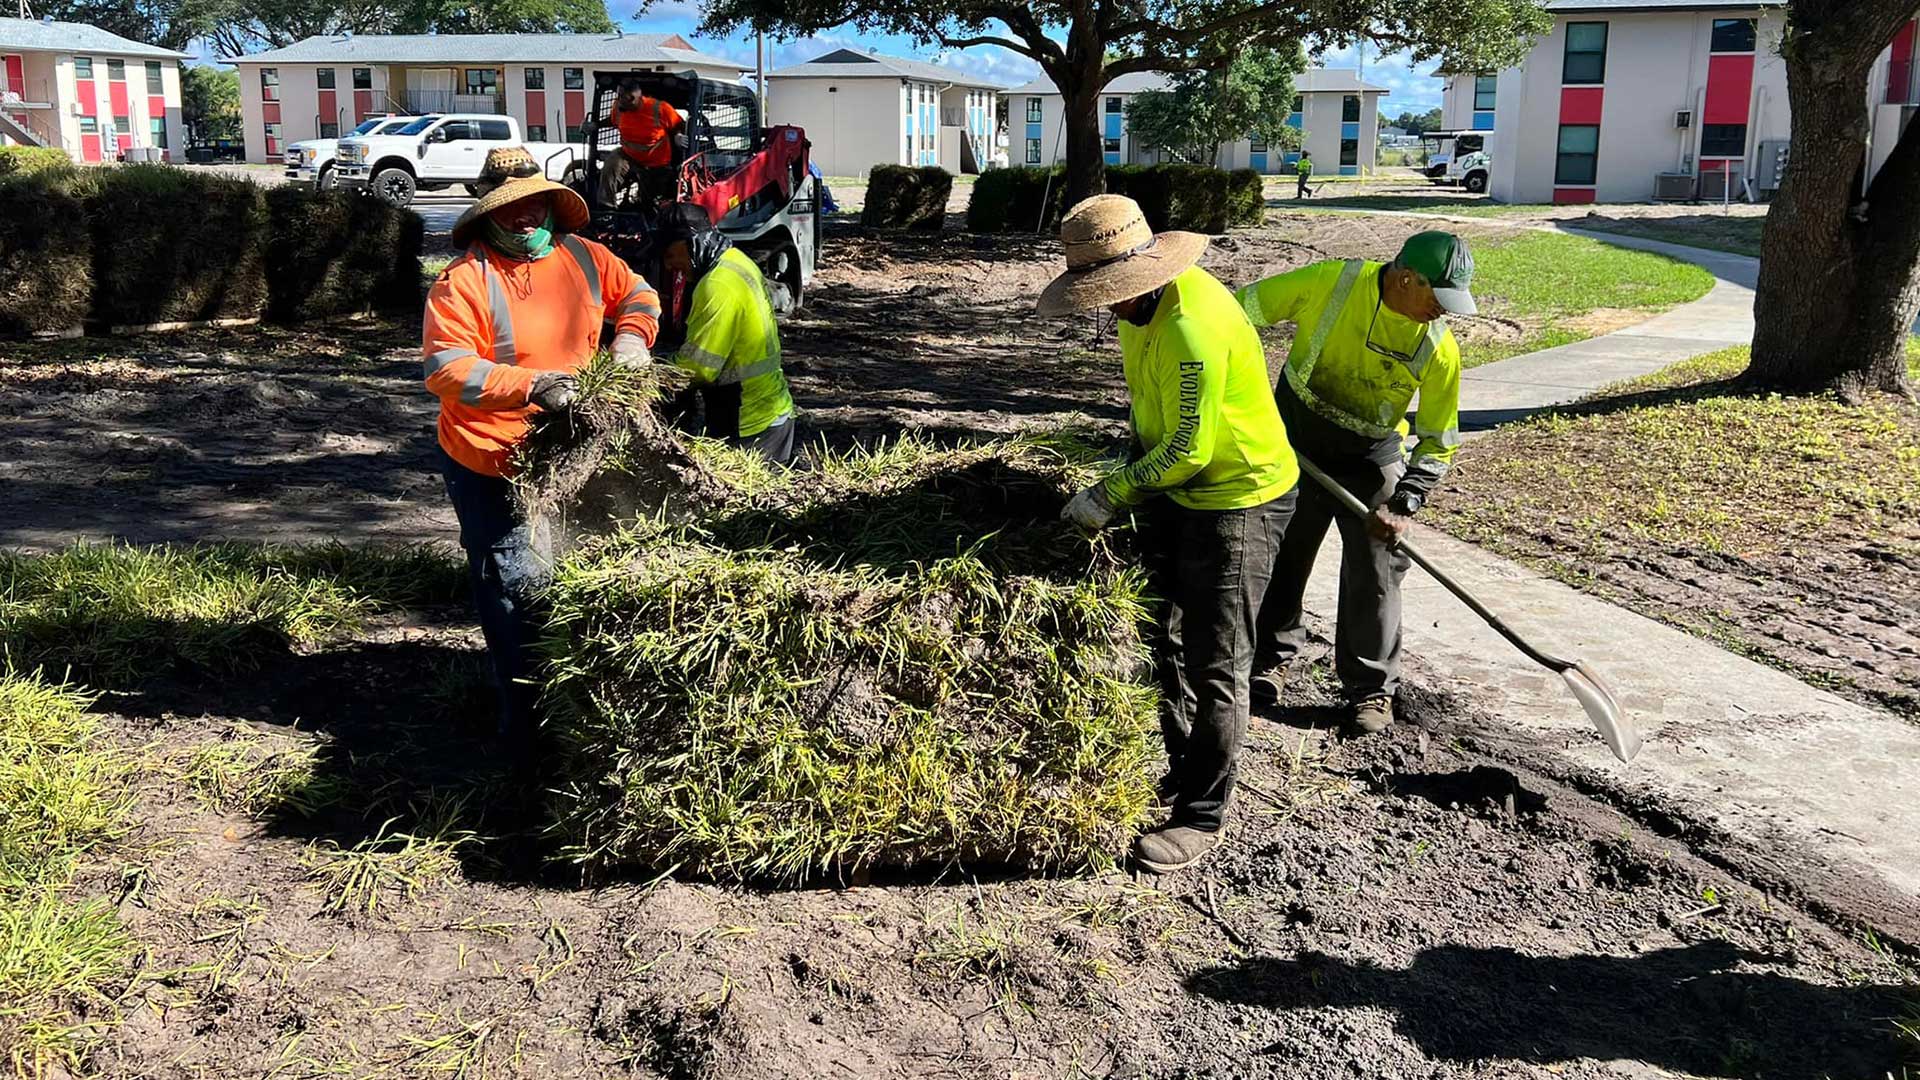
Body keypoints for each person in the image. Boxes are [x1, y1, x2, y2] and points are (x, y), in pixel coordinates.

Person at [1037, 195, 1299, 874]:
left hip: (1238, 497)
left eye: (1112, 293)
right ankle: (1183, 764)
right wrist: (1125, 465)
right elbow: (1153, 417)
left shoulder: (1194, 324)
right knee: (1158, 634)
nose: (1108, 306)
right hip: (1174, 485)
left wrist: (1107, 496)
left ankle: (1202, 815)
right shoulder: (1138, 311)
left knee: (1218, 658)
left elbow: (1188, 446)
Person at [423, 146, 662, 756]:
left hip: (569, 449)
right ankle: (527, 722)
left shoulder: (585, 257)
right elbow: (448, 369)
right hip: (490, 455)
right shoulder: (463, 282)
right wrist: (531, 387)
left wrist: (632, 339)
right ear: (488, 217)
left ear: (551, 204)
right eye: (512, 209)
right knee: (515, 581)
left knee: (575, 570)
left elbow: (638, 295)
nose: (526, 217)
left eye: (535, 204)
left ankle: (577, 699)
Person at [1234, 231, 1473, 735]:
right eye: (1438, 298)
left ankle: (1370, 690)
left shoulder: (1439, 347)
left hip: (1370, 457)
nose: (1442, 312)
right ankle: (1268, 661)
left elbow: (1439, 437)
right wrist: (1242, 393)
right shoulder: (1332, 282)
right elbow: (1235, 316)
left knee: (1379, 569)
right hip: (1294, 441)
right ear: (1406, 278)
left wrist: (1405, 501)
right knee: (1282, 552)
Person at [659, 205, 798, 464]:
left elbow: (698, 369)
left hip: (749, 423)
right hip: (770, 412)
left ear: (691, 243)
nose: (669, 265)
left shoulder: (717, 286)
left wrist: (656, 372)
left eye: (670, 254)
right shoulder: (736, 260)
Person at [598, 81, 684, 209]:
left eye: (622, 96)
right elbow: (612, 120)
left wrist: (678, 135)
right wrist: (595, 125)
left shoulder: (659, 108)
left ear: (632, 98)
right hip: (629, 155)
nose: (618, 100)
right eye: (618, 95)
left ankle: (646, 211)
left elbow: (679, 124)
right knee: (613, 161)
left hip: (656, 163)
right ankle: (606, 208)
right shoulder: (618, 107)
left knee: (650, 201)